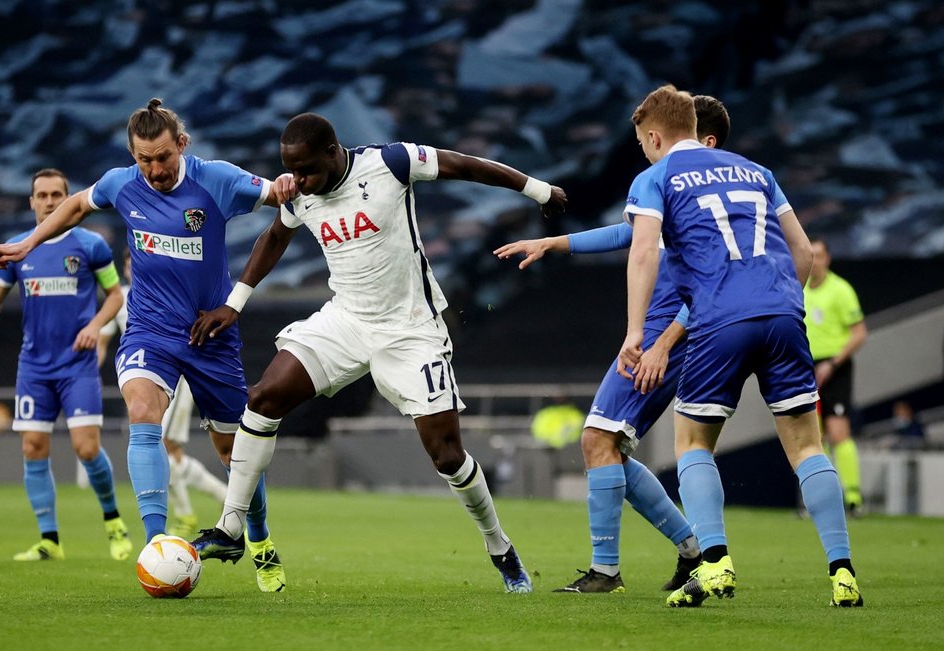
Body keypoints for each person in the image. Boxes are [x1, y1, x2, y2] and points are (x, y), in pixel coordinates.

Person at [188, 112, 568, 594]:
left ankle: (499, 546)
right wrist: (233, 304)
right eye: (291, 170)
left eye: (305, 169)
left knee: (447, 455)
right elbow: (275, 237)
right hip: (345, 319)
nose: (297, 181)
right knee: (263, 398)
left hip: (410, 329)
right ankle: (231, 528)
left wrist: (537, 189)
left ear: (332, 152)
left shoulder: (393, 162)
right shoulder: (301, 192)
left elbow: (465, 165)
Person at [0, 99, 293, 592]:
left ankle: (258, 539)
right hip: (150, 329)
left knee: (234, 450)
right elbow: (78, 204)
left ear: (182, 146)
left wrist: (287, 186)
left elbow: (280, 198)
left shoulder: (217, 179)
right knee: (143, 412)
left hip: (210, 334)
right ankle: (157, 545)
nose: (154, 169)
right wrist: (29, 243)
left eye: (163, 157)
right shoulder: (122, 183)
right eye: (144, 159)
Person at [618, 84, 862, 607]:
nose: (643, 150)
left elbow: (643, 254)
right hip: (782, 316)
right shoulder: (757, 171)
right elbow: (803, 250)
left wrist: (637, 333)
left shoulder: (655, 177)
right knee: (808, 446)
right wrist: (780, 304)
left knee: (693, 444)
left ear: (655, 136)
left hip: (718, 320)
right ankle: (843, 574)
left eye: (642, 142)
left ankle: (714, 565)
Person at [491, 94, 730, 594]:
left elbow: (715, 280)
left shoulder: (684, 187)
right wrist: (553, 243)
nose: (645, 151)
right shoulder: (681, 195)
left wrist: (662, 340)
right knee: (608, 444)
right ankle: (690, 550)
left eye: (647, 142)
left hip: (672, 333)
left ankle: (609, 571)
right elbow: (628, 235)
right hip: (671, 330)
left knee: (598, 439)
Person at [0, 168, 132, 562]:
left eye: (57, 194)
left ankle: (113, 521)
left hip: (77, 366)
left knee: (86, 448)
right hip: (34, 367)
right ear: (32, 201)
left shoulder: (91, 245)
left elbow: (114, 296)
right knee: (33, 447)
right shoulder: (17, 248)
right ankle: (49, 540)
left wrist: (94, 326)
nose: (50, 201)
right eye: (42, 195)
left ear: (67, 197)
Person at [97, 249, 229, 541]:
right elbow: (103, 337)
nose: (134, 268)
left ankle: (185, 514)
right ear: (126, 268)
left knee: (163, 443)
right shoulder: (121, 297)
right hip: (142, 372)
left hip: (175, 375)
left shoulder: (167, 289)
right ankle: (223, 496)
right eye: (129, 264)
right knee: (172, 450)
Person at [803, 239, 868, 514]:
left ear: (828, 258)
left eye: (819, 255)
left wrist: (832, 363)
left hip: (835, 367)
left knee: (839, 432)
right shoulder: (798, 287)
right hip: (805, 369)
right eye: (811, 255)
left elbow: (859, 333)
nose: (815, 261)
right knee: (812, 438)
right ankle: (820, 502)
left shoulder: (841, 290)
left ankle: (852, 497)